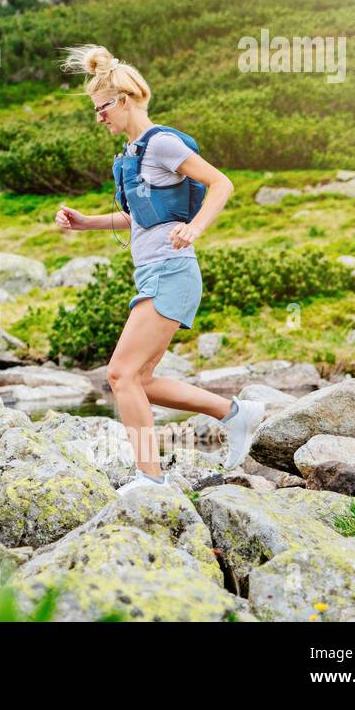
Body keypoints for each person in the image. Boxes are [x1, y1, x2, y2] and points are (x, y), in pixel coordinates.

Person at [53, 44, 265, 494]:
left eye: (102, 107)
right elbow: (141, 217)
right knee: (141, 380)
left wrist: (195, 229)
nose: (99, 117)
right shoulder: (129, 155)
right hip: (153, 273)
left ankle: (150, 479)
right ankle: (235, 414)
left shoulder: (162, 143)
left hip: (173, 270)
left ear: (125, 100)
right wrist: (87, 223)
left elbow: (221, 183)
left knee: (119, 375)